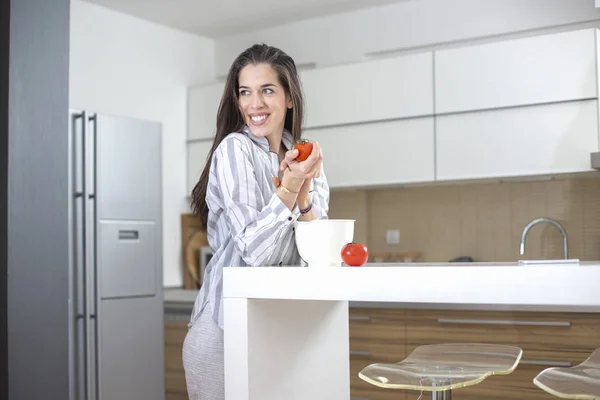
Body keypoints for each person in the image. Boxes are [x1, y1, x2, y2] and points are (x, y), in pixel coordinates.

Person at [182, 43, 330, 400]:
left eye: (267, 90)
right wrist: (290, 188)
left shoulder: (304, 154)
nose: (254, 104)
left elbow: (320, 256)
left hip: (280, 328)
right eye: (245, 92)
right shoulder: (234, 150)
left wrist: (305, 194)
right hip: (224, 331)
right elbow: (254, 253)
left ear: (289, 98)